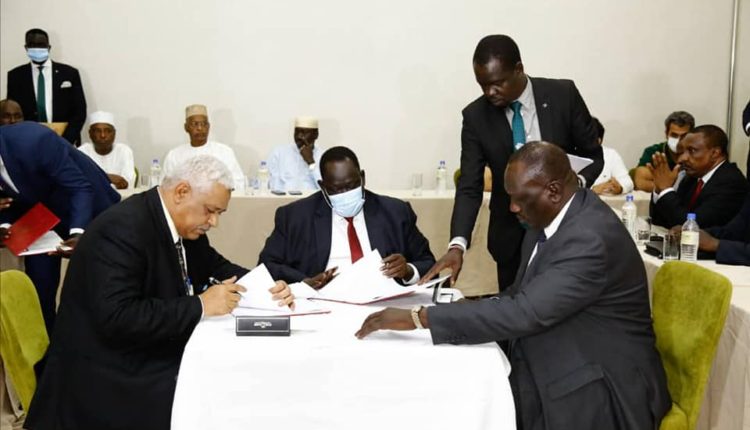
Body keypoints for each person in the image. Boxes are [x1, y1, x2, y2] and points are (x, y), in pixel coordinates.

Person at [356, 142, 671, 429]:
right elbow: (521, 293)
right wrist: (469, 309)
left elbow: (525, 312)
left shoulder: (589, 238)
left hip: (602, 381)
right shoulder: (550, 217)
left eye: (520, 199)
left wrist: (419, 317)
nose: (513, 208)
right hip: (562, 346)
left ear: (553, 191)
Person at [24, 155, 295, 430]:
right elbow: (118, 317)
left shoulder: (177, 223)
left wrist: (266, 287)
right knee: (220, 387)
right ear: (182, 192)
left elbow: (215, 266)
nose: (214, 222)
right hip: (104, 374)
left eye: (219, 214)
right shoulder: (122, 229)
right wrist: (200, 305)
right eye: (210, 211)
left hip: (140, 351)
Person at [422, 34, 603, 290]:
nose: (490, 92)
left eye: (497, 83)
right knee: (514, 306)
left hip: (566, 231)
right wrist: (457, 245)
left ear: (519, 69)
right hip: (510, 238)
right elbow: (470, 184)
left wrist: (573, 186)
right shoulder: (476, 116)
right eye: (483, 85)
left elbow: (593, 156)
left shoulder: (563, 95)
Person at [0, 122, 121, 335]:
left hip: (86, 209)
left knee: (98, 288)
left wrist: (78, 233)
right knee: (40, 289)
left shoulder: (34, 140)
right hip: (39, 221)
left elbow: (79, 187)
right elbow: (7, 199)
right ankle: (48, 348)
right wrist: (3, 225)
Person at [259, 146, 435, 288]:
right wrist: (305, 283)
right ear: (323, 186)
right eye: (336, 189)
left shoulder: (395, 212)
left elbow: (429, 264)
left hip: (384, 304)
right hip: (322, 302)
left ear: (362, 178)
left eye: (351, 186)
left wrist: (408, 271)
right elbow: (267, 265)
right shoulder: (295, 217)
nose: (345, 193)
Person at [648, 124, 748, 229]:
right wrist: (659, 190)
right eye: (682, 151)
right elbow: (661, 222)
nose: (682, 158)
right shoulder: (691, 178)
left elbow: (691, 227)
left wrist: (666, 189)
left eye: (692, 151)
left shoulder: (731, 182)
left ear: (715, 153)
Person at [6, 28, 87, 146]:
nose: (37, 48)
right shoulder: (15, 76)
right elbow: (12, 112)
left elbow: (80, 111)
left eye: (41, 45)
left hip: (65, 141)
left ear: (49, 47)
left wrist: (65, 141)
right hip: (29, 142)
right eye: (32, 45)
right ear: (26, 47)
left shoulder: (69, 73)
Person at [163, 104, 245, 189]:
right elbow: (165, 187)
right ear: (186, 127)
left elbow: (238, 182)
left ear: (208, 126)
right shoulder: (174, 155)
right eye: (195, 124)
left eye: (204, 124)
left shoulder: (224, 152)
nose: (200, 128)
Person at [633, 111, 694, 192]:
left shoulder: (697, 153)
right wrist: (670, 188)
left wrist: (662, 182)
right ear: (666, 134)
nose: (679, 140)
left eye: (684, 136)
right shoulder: (653, 152)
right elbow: (640, 183)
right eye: (674, 135)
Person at [78, 111, 136, 190]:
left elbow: (126, 183)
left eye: (108, 131)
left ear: (114, 133)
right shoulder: (82, 152)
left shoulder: (124, 151)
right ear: (90, 134)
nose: (103, 135)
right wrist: (108, 177)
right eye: (97, 131)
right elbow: (78, 182)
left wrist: (94, 179)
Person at [267, 116, 323, 191]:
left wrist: (311, 162)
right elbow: (273, 184)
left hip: (312, 198)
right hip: (285, 197)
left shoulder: (323, 156)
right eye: (297, 131)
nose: (299, 136)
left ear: (316, 134)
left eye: (304, 132)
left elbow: (326, 189)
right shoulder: (279, 153)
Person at [590, 117, 634, 195]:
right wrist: (592, 190)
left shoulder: (611, 155)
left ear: (598, 141)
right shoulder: (569, 154)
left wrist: (620, 188)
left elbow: (628, 182)